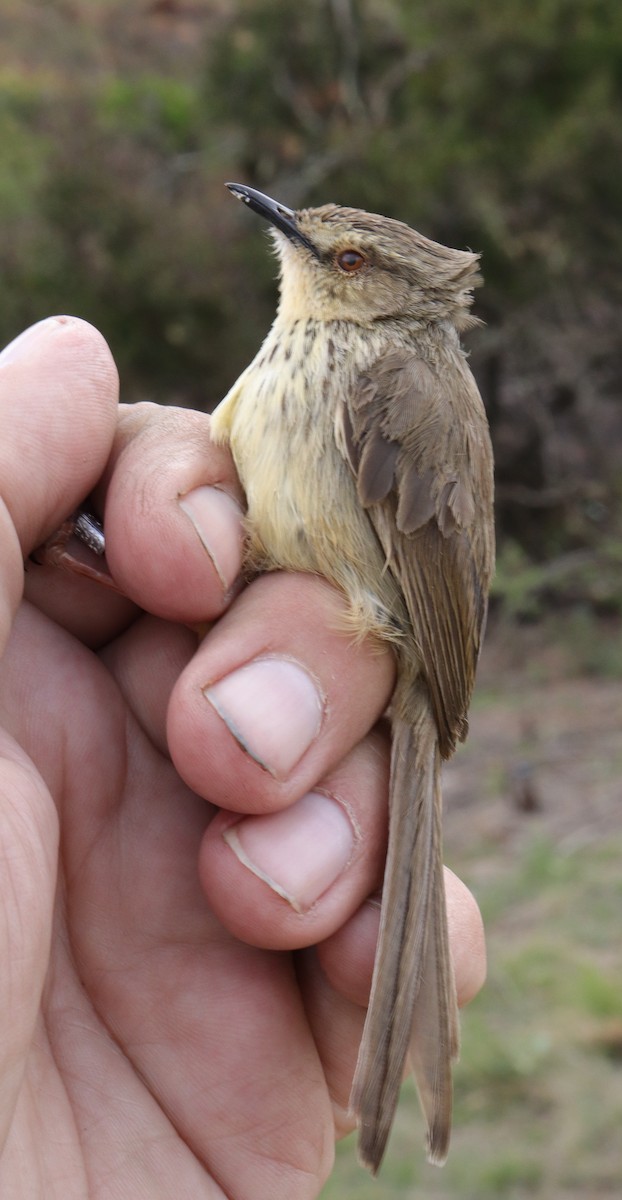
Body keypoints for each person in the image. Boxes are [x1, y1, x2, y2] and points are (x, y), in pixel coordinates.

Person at [0, 316, 486, 1199]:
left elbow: (423, 601)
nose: (302, 253)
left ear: (380, 296)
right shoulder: (307, 362)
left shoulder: (389, 381)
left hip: (380, 633)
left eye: (342, 261)